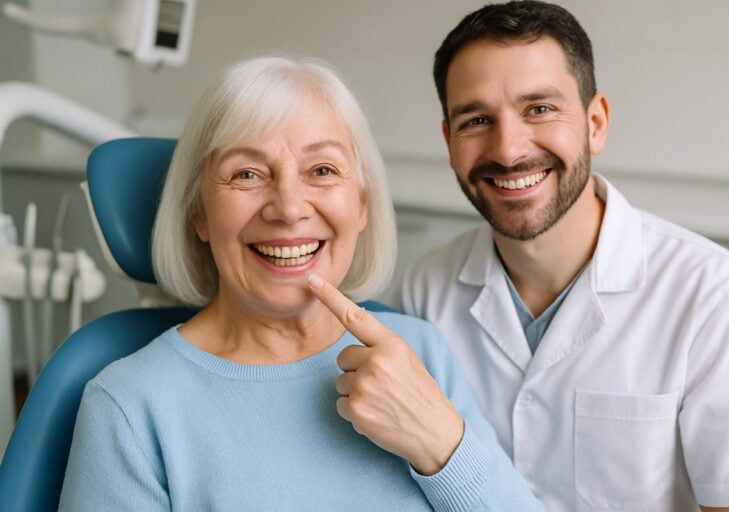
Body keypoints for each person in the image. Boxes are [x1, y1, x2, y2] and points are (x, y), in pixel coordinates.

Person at [58, 55, 542, 511]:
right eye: (246, 174)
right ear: (199, 213)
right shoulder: (130, 407)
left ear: (362, 207)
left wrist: (440, 442)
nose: (289, 208)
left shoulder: (416, 351)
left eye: (322, 170)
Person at [400, 1, 729, 511]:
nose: (507, 150)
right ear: (449, 141)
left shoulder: (716, 295)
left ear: (596, 122)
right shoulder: (425, 287)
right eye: (476, 119)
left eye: (540, 109)